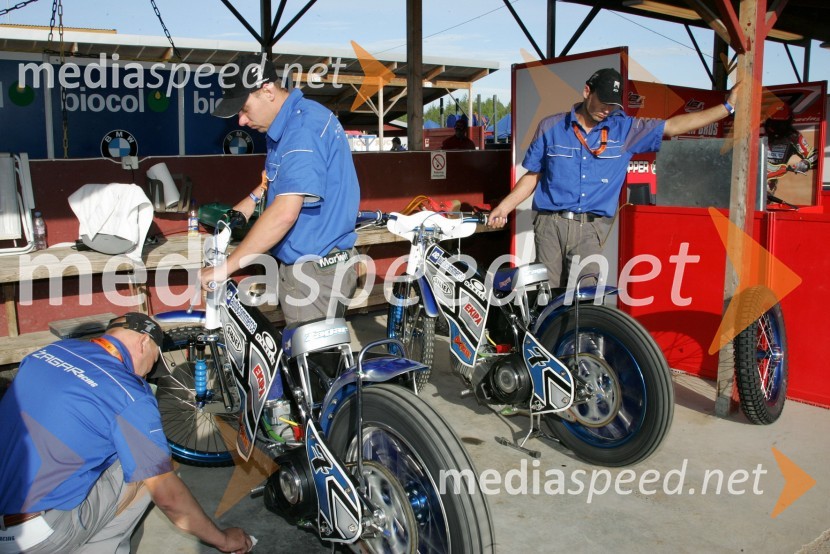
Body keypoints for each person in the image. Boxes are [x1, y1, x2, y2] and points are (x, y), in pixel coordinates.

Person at [0, 312, 252, 554]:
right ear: (144, 341)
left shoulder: (47, 353)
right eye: (154, 360)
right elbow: (168, 498)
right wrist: (223, 539)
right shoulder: (129, 393)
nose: (146, 373)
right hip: (34, 536)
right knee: (148, 469)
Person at [488, 67, 741, 289]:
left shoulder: (625, 130)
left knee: (584, 297)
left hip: (590, 229)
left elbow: (672, 126)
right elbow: (533, 175)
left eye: (613, 105)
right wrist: (504, 207)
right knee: (544, 295)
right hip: (549, 225)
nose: (607, 110)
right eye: (603, 101)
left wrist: (726, 108)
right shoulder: (550, 127)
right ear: (587, 92)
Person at [202, 53, 360, 323]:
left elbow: (285, 213)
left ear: (267, 91)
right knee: (310, 358)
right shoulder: (290, 124)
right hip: (318, 264)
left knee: (312, 362)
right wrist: (254, 196)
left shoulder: (301, 131)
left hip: (315, 271)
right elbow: (273, 183)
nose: (240, 120)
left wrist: (226, 268)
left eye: (244, 108)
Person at [763, 104, 817, 196]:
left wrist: (805, 163)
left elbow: (813, 155)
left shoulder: (794, 137)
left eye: (783, 124)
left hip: (770, 181)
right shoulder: (757, 132)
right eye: (775, 124)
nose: (779, 128)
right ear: (768, 121)